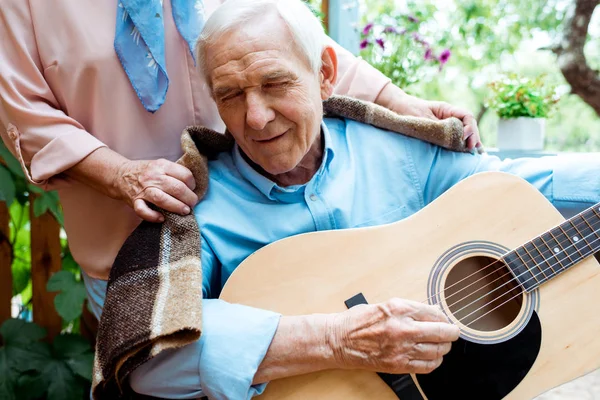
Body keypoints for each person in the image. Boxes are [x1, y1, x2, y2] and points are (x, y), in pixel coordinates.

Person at [96, 0, 600, 398]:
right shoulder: (194, 210)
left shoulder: (400, 149)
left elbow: (510, 191)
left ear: (324, 73)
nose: (255, 117)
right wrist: (338, 340)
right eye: (230, 94)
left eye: (275, 83)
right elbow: (149, 359)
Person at [0, 0, 481, 292]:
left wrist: (400, 101)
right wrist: (123, 175)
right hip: (127, 245)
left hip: (262, 225)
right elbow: (23, 110)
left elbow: (294, 41)